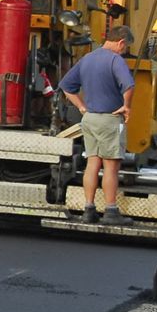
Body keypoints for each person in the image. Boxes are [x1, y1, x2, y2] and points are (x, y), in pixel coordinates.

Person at [57, 24, 136, 224]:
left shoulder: (87, 58)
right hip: (110, 119)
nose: (124, 52)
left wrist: (82, 107)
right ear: (121, 42)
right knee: (111, 166)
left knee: (92, 163)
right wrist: (126, 105)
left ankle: (89, 209)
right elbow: (129, 85)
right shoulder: (115, 60)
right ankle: (110, 211)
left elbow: (66, 86)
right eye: (125, 48)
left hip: (90, 119)